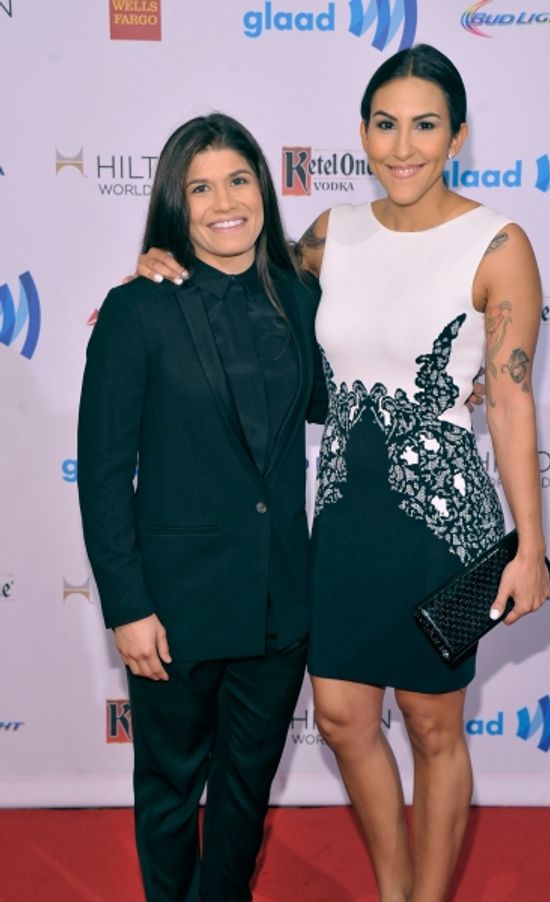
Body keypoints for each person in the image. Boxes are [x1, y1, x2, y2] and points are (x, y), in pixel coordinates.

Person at [136, 44, 550, 902]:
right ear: (362, 132)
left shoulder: (499, 243)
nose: (404, 147)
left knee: (436, 728)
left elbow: (510, 403)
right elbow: (244, 281)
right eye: (386, 125)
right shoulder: (332, 232)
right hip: (342, 526)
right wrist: (162, 263)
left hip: (443, 524)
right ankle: (393, 884)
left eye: (426, 126)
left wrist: (530, 547)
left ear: (458, 135)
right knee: (341, 717)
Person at [77, 113, 327, 902]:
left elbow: (364, 378)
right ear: (175, 204)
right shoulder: (137, 309)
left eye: (240, 179)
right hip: (174, 608)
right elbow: (105, 473)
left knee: (246, 796)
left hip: (278, 604)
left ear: (264, 188)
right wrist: (127, 605)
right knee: (170, 790)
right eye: (201, 186)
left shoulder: (303, 299)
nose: (225, 201)